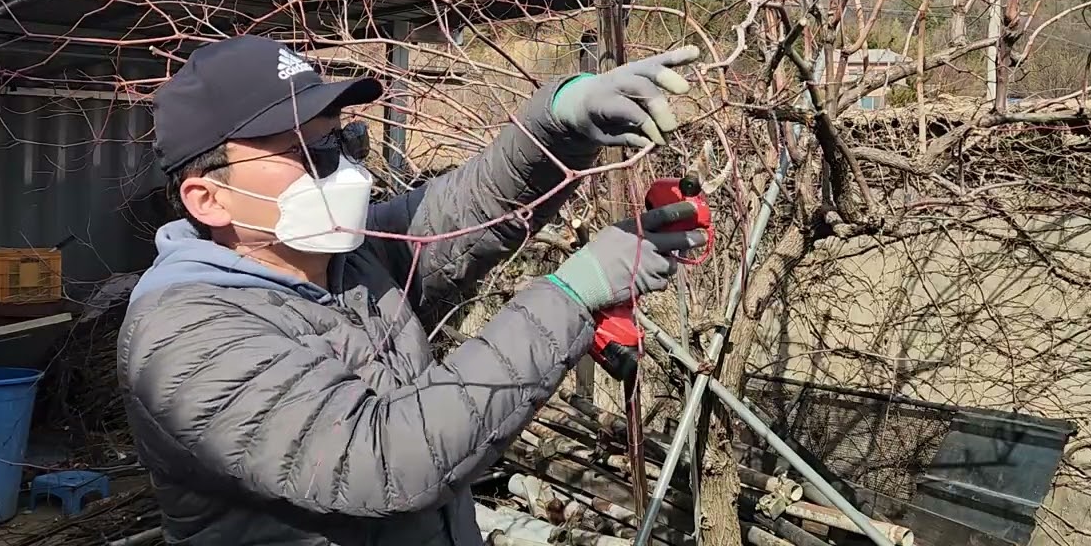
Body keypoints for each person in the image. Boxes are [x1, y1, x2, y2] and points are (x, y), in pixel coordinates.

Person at [117, 34, 707, 546]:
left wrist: (561, 118)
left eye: (344, 142)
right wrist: (573, 294)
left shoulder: (348, 262)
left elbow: (475, 206)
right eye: (308, 153)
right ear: (209, 199)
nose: (345, 170)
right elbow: (381, 461)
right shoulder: (184, 336)